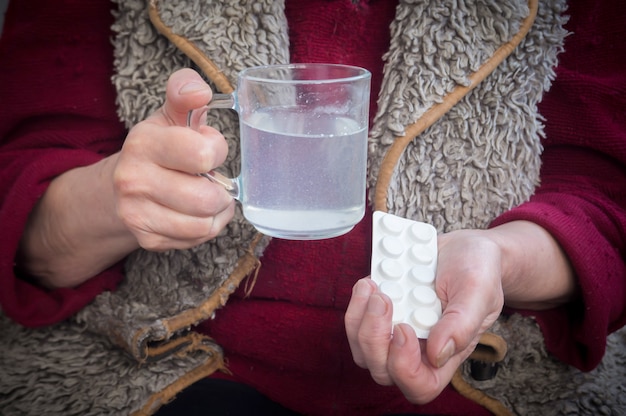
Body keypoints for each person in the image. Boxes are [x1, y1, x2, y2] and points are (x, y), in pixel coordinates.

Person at [0, 0, 624, 415]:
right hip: (168, 364)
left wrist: (503, 258)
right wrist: (113, 197)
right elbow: (20, 179)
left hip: (477, 376)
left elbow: (607, 196)